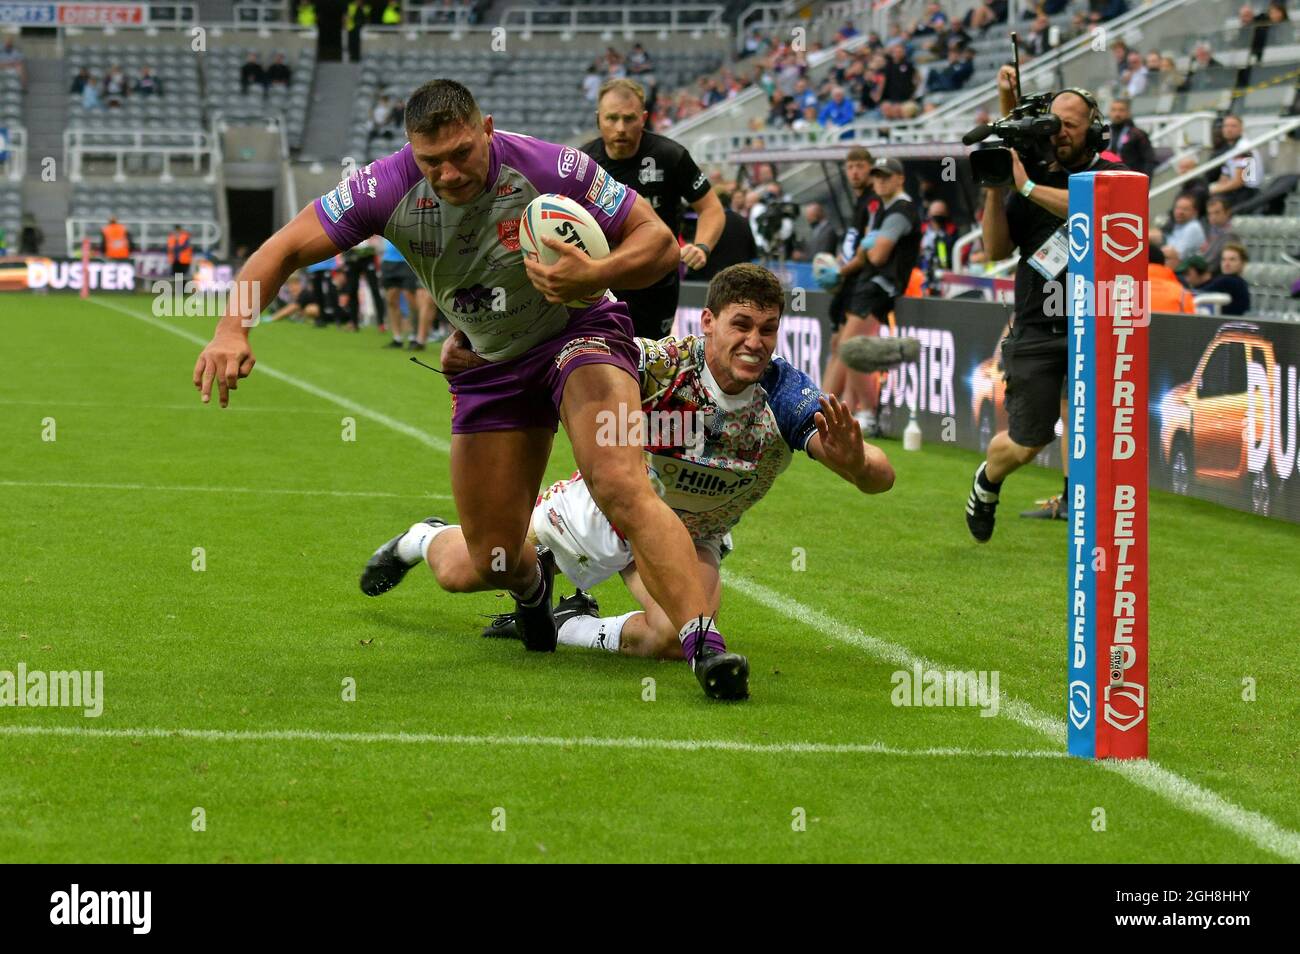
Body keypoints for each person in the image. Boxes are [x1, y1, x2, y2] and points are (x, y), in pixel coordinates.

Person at [193, 79, 746, 700]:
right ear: (410, 150)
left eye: (462, 153)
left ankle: (706, 648)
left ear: (487, 128)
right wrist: (230, 326)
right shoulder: (383, 187)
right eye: (433, 161)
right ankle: (524, 587)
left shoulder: (549, 166)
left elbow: (655, 242)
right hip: (489, 363)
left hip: (580, 330)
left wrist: (596, 272)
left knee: (619, 481)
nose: (450, 173)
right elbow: (284, 248)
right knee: (489, 559)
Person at [449, 265, 891, 657]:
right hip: (607, 509)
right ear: (708, 322)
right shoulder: (661, 365)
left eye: (767, 329)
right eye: (742, 325)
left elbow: (880, 479)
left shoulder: (785, 395)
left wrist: (854, 464)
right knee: (474, 567)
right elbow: (573, 365)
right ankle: (420, 539)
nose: (755, 342)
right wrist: (484, 358)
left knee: (671, 639)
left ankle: (566, 623)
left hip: (695, 535)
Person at [965, 72, 1126, 540]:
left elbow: (1090, 207)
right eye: (1056, 123)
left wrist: (1029, 187)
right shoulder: (1031, 179)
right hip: (1037, 327)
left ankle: (1079, 508)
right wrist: (996, 188)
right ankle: (986, 481)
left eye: (1073, 124)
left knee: (1087, 427)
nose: (1062, 132)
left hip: (1093, 325)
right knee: (1027, 442)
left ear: (1094, 129)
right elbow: (995, 249)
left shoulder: (1111, 172)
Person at [580, 78, 724, 339]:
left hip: (657, 287)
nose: (620, 128)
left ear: (644, 118)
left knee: (650, 368)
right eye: (612, 119)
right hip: (601, 286)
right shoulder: (583, 163)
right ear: (598, 118)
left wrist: (702, 246)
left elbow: (711, 208)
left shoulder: (670, 156)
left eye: (629, 119)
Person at [838, 157, 921, 436]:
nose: (881, 181)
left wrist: (868, 244)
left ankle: (869, 414)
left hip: (879, 287)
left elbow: (877, 254)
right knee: (848, 346)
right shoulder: (885, 209)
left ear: (900, 178)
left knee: (851, 349)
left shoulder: (900, 210)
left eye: (887, 176)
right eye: (878, 176)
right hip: (870, 285)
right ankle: (852, 409)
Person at [823, 147, 878, 405]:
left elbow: (866, 249)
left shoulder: (873, 200)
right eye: (851, 167)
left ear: (870, 168)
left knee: (848, 349)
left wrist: (839, 271)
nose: (855, 172)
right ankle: (840, 406)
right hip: (850, 283)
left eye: (860, 166)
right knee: (839, 345)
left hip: (865, 284)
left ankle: (854, 408)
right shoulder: (859, 202)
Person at [689, 190, 758, 281]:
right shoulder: (742, 221)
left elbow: (697, 253)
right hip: (739, 279)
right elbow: (753, 252)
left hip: (711, 280)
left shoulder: (707, 223)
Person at [378, 237, 423, 350]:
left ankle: (414, 336)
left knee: (410, 297)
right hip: (389, 262)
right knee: (391, 300)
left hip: (407, 260)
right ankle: (397, 338)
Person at [1210, 114, 1263, 208]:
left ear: (1241, 129)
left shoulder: (1244, 147)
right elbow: (1224, 178)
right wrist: (1214, 188)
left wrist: (1214, 190)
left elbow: (1238, 182)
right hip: (1237, 190)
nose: (1229, 129)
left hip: (1248, 192)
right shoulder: (1230, 149)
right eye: (1226, 126)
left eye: (1233, 126)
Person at [1187, 244, 1252, 314]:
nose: (1226, 264)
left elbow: (1197, 293)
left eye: (1232, 259)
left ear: (1243, 263)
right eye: (1223, 259)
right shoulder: (1237, 282)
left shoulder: (1230, 281)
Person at [1106, 98, 1156, 178]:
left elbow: (1149, 161)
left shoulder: (1138, 134)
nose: (1117, 114)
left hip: (1131, 180)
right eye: (1113, 110)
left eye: (1121, 110)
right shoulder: (1104, 133)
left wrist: (1145, 183)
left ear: (1128, 113)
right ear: (1109, 112)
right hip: (1108, 180)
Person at [1147, 245, 1196, 314]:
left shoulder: (1128, 291)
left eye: (1167, 258)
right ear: (1162, 261)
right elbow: (1191, 322)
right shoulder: (1182, 293)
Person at [1158, 193, 1207, 260]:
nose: (1180, 212)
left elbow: (1176, 255)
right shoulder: (1178, 224)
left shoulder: (1193, 227)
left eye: (1185, 209)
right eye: (1178, 208)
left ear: (1195, 212)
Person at [1200, 195, 1241, 274]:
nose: (1213, 217)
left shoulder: (1231, 236)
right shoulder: (1206, 230)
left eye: (1217, 212)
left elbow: (1216, 263)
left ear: (1227, 212)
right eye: (1210, 214)